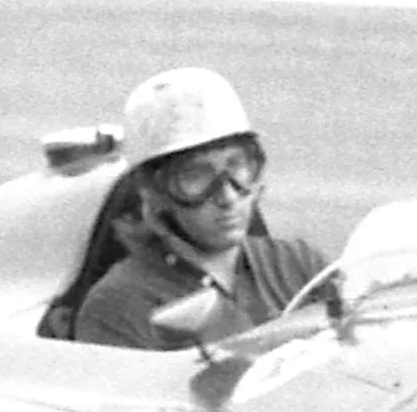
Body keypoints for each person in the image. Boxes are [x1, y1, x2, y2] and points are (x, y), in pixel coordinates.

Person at [71, 67, 329, 351]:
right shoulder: (120, 306)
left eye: (236, 166)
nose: (227, 196)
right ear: (154, 192)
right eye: (196, 176)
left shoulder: (299, 266)